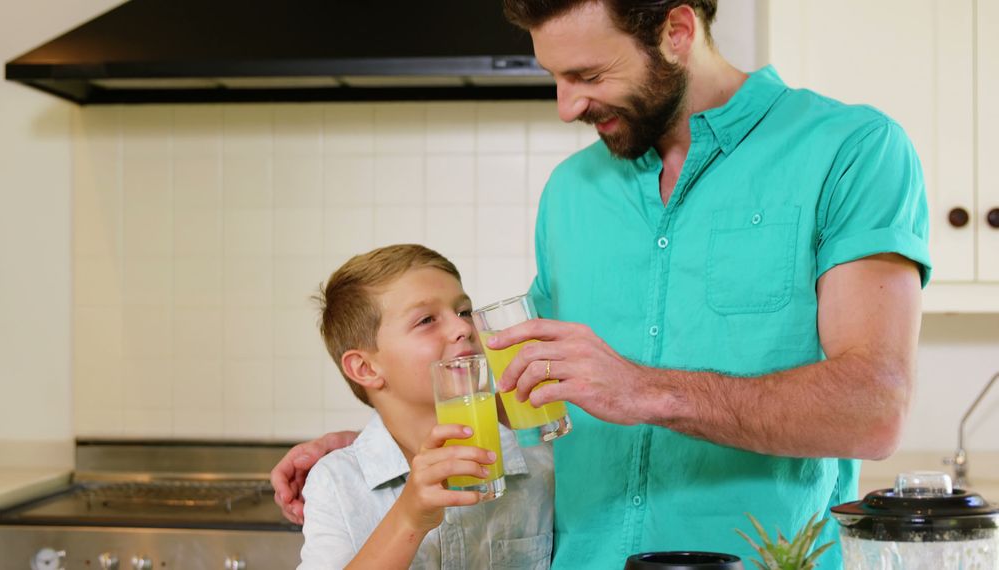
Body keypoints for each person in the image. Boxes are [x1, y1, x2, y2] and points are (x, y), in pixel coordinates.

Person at [275, 2, 931, 567]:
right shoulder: (572, 192)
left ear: (677, 30)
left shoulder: (850, 150)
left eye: (588, 75)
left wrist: (645, 389)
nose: (567, 107)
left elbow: (874, 408)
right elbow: (531, 388)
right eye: (555, 77)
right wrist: (378, 444)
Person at [295, 244, 554, 569]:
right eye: (427, 320)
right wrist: (409, 517)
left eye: (463, 311)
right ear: (366, 369)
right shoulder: (337, 482)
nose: (464, 328)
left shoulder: (536, 460)